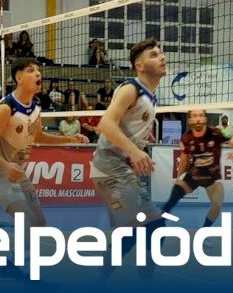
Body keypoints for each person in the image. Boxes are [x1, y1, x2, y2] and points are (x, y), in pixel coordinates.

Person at [0, 57, 88, 281]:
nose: (38, 73)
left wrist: (69, 139)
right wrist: (6, 165)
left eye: (38, 70)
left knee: (38, 222)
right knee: (24, 218)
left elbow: (38, 136)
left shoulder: (36, 106)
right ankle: (31, 276)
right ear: (19, 78)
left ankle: (11, 264)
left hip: (17, 172)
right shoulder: (5, 109)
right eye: (31, 70)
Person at [92, 38, 166, 283]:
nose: (162, 57)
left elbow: (127, 125)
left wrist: (140, 141)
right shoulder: (131, 89)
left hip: (117, 169)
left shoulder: (150, 96)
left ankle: (99, 280)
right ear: (139, 65)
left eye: (161, 53)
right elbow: (105, 124)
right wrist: (134, 151)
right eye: (154, 54)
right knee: (152, 227)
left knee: (132, 231)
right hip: (110, 166)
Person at [159, 108, 233, 228]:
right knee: (174, 194)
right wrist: (178, 177)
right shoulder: (186, 138)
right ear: (189, 120)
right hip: (194, 174)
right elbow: (184, 160)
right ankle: (159, 223)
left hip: (212, 176)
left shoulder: (217, 132)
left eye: (200, 115)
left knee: (217, 205)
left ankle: (204, 230)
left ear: (205, 118)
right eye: (194, 116)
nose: (198, 119)